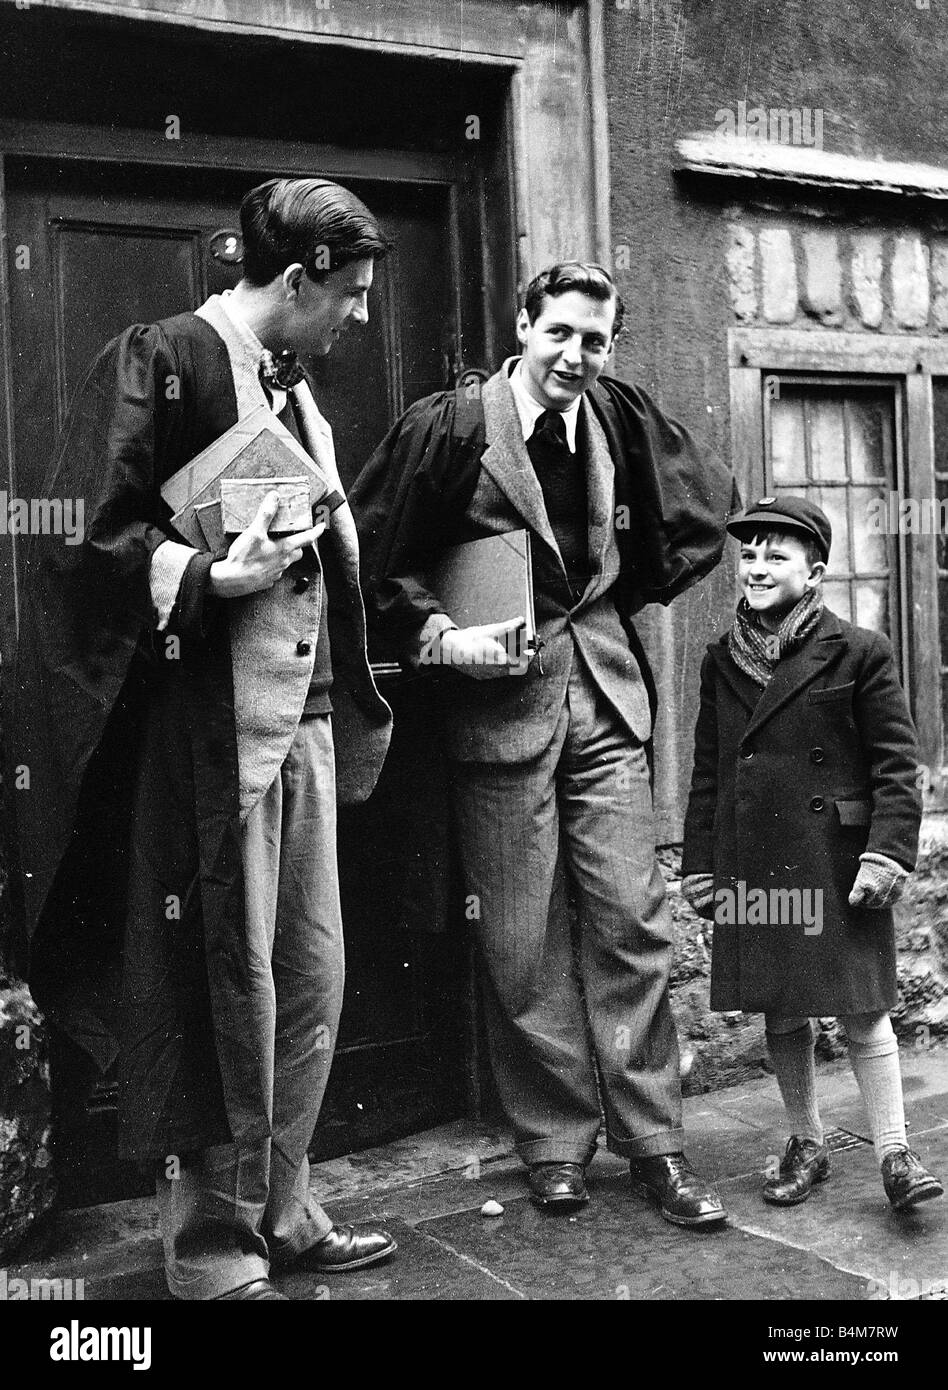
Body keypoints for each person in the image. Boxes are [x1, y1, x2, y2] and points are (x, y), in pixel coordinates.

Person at [14, 178, 399, 1299]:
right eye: (353, 296)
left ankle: (287, 1203)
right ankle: (206, 1243)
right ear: (297, 280)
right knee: (209, 974)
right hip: (206, 728)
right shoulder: (162, 359)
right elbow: (83, 534)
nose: (361, 317)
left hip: (308, 719)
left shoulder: (300, 388)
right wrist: (207, 577)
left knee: (310, 979)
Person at [350, 261, 735, 1225]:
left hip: (605, 702)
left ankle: (657, 1143)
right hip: (497, 715)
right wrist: (443, 635)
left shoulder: (620, 419)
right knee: (523, 939)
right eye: (559, 332)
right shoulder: (452, 427)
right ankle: (556, 1142)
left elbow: (695, 517)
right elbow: (375, 556)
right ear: (522, 325)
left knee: (633, 925)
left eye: (595, 340)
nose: (575, 355)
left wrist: (611, 602)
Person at [681, 496, 944, 1212]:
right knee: (781, 1007)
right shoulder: (719, 659)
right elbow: (710, 769)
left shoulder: (859, 650)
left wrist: (887, 855)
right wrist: (702, 863)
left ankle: (894, 1149)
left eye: (777, 556)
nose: (757, 568)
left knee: (863, 1006)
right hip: (757, 859)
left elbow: (898, 764)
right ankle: (807, 1141)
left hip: (838, 859)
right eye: (750, 555)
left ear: (816, 572)